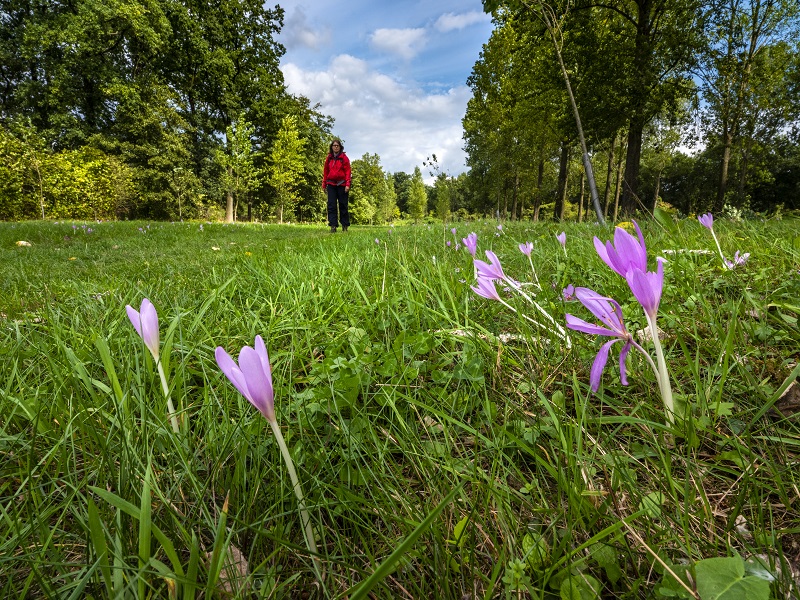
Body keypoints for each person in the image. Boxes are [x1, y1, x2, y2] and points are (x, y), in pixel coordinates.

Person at [322, 139, 351, 232]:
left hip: (342, 184)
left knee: (343, 205)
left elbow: (348, 172)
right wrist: (324, 184)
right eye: (334, 145)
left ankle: (345, 226)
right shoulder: (329, 158)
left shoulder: (344, 158)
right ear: (331, 147)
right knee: (331, 205)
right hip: (331, 184)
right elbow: (325, 171)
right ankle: (333, 226)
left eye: (337, 145)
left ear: (340, 147)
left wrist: (347, 184)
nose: (336, 147)